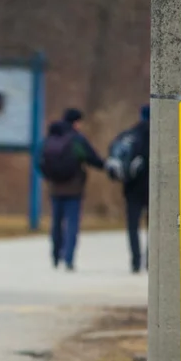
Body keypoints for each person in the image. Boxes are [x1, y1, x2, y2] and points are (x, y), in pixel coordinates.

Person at [38, 108, 105, 271]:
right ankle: (68, 258)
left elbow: (39, 161)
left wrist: (48, 177)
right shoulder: (77, 140)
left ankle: (55, 256)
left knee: (56, 222)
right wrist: (105, 166)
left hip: (55, 187)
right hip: (74, 189)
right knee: (72, 223)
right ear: (76, 122)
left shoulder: (50, 137)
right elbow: (91, 158)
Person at [106, 105, 151, 273]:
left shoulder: (128, 135)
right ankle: (150, 261)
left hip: (131, 189)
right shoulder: (158, 135)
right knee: (152, 226)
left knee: (133, 226)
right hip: (152, 189)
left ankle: (135, 261)